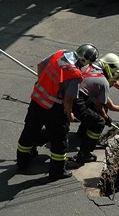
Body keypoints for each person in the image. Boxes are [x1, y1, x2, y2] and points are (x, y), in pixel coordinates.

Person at [16, 43, 98, 180]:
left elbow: (40, 65)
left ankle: (22, 162)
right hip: (53, 107)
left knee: (29, 130)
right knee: (59, 139)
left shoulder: (60, 53)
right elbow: (68, 99)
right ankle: (57, 171)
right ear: (85, 60)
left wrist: (43, 82)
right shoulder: (75, 73)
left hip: (36, 99)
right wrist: (69, 114)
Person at [73, 53, 119, 164]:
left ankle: (83, 133)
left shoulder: (93, 68)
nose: (114, 82)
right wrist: (107, 118)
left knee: (98, 111)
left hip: (75, 94)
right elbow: (105, 107)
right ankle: (85, 153)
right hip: (78, 100)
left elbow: (114, 82)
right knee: (99, 122)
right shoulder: (103, 83)